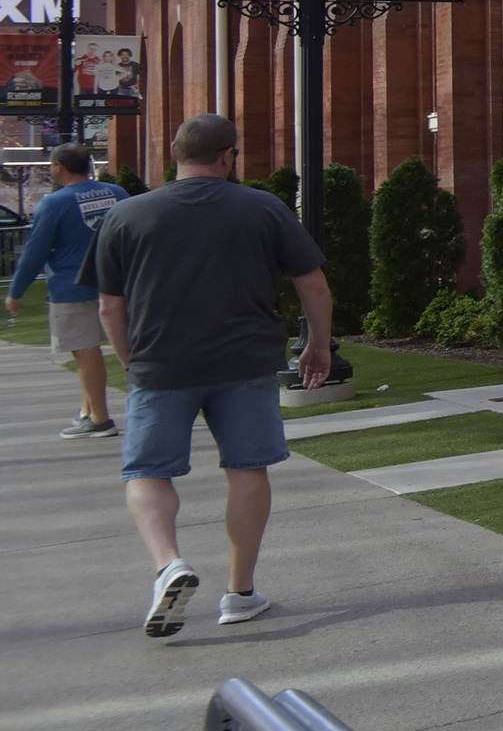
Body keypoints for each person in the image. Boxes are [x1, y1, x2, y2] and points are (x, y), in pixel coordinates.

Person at [90, 113, 330, 637]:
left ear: (174, 156)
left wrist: (132, 362)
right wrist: (316, 344)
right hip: (245, 363)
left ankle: (169, 564)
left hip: (161, 364)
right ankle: (239, 594)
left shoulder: (127, 215)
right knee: (247, 469)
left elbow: (109, 305)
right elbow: (311, 281)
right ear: (228, 156)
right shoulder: (263, 207)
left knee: (147, 473)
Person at [7, 143, 127, 436]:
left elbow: (35, 251)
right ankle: (87, 410)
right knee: (123, 347)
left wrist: (16, 291)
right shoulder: (118, 194)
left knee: (84, 351)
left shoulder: (54, 203)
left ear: (59, 166)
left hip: (72, 286)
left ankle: (99, 418)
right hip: (119, 284)